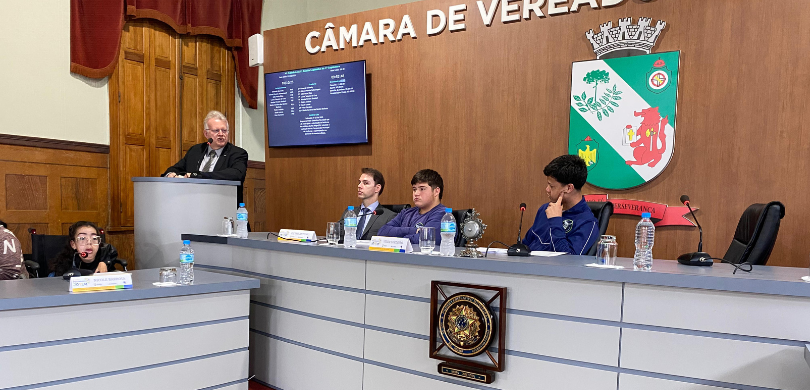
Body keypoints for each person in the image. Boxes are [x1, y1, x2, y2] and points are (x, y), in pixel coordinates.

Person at [163, 110, 249, 205]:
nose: (221, 134)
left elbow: (236, 175)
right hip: (191, 202)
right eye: (216, 130)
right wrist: (171, 174)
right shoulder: (196, 150)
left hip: (221, 204)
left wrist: (199, 175)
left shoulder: (237, 153)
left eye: (224, 130)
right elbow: (175, 169)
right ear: (206, 134)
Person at [523, 155, 598, 255]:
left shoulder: (587, 223)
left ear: (569, 188)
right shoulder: (545, 209)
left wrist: (555, 221)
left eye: (551, 186)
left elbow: (568, 259)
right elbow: (524, 246)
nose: (547, 189)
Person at [379, 169, 447, 245]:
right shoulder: (406, 212)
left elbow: (425, 240)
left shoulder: (443, 215)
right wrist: (413, 230)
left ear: (436, 191)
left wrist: (395, 239)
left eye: (422, 189)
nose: (416, 193)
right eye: (414, 189)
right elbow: (382, 232)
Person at [339, 168, 397, 242]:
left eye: (365, 183)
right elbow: (337, 236)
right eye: (359, 182)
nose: (359, 186)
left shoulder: (389, 217)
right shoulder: (349, 212)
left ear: (377, 188)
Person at [49, 221, 119, 277]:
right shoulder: (63, 266)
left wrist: (105, 263)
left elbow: (111, 252)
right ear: (73, 244)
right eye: (82, 238)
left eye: (94, 238)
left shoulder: (105, 255)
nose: (89, 242)